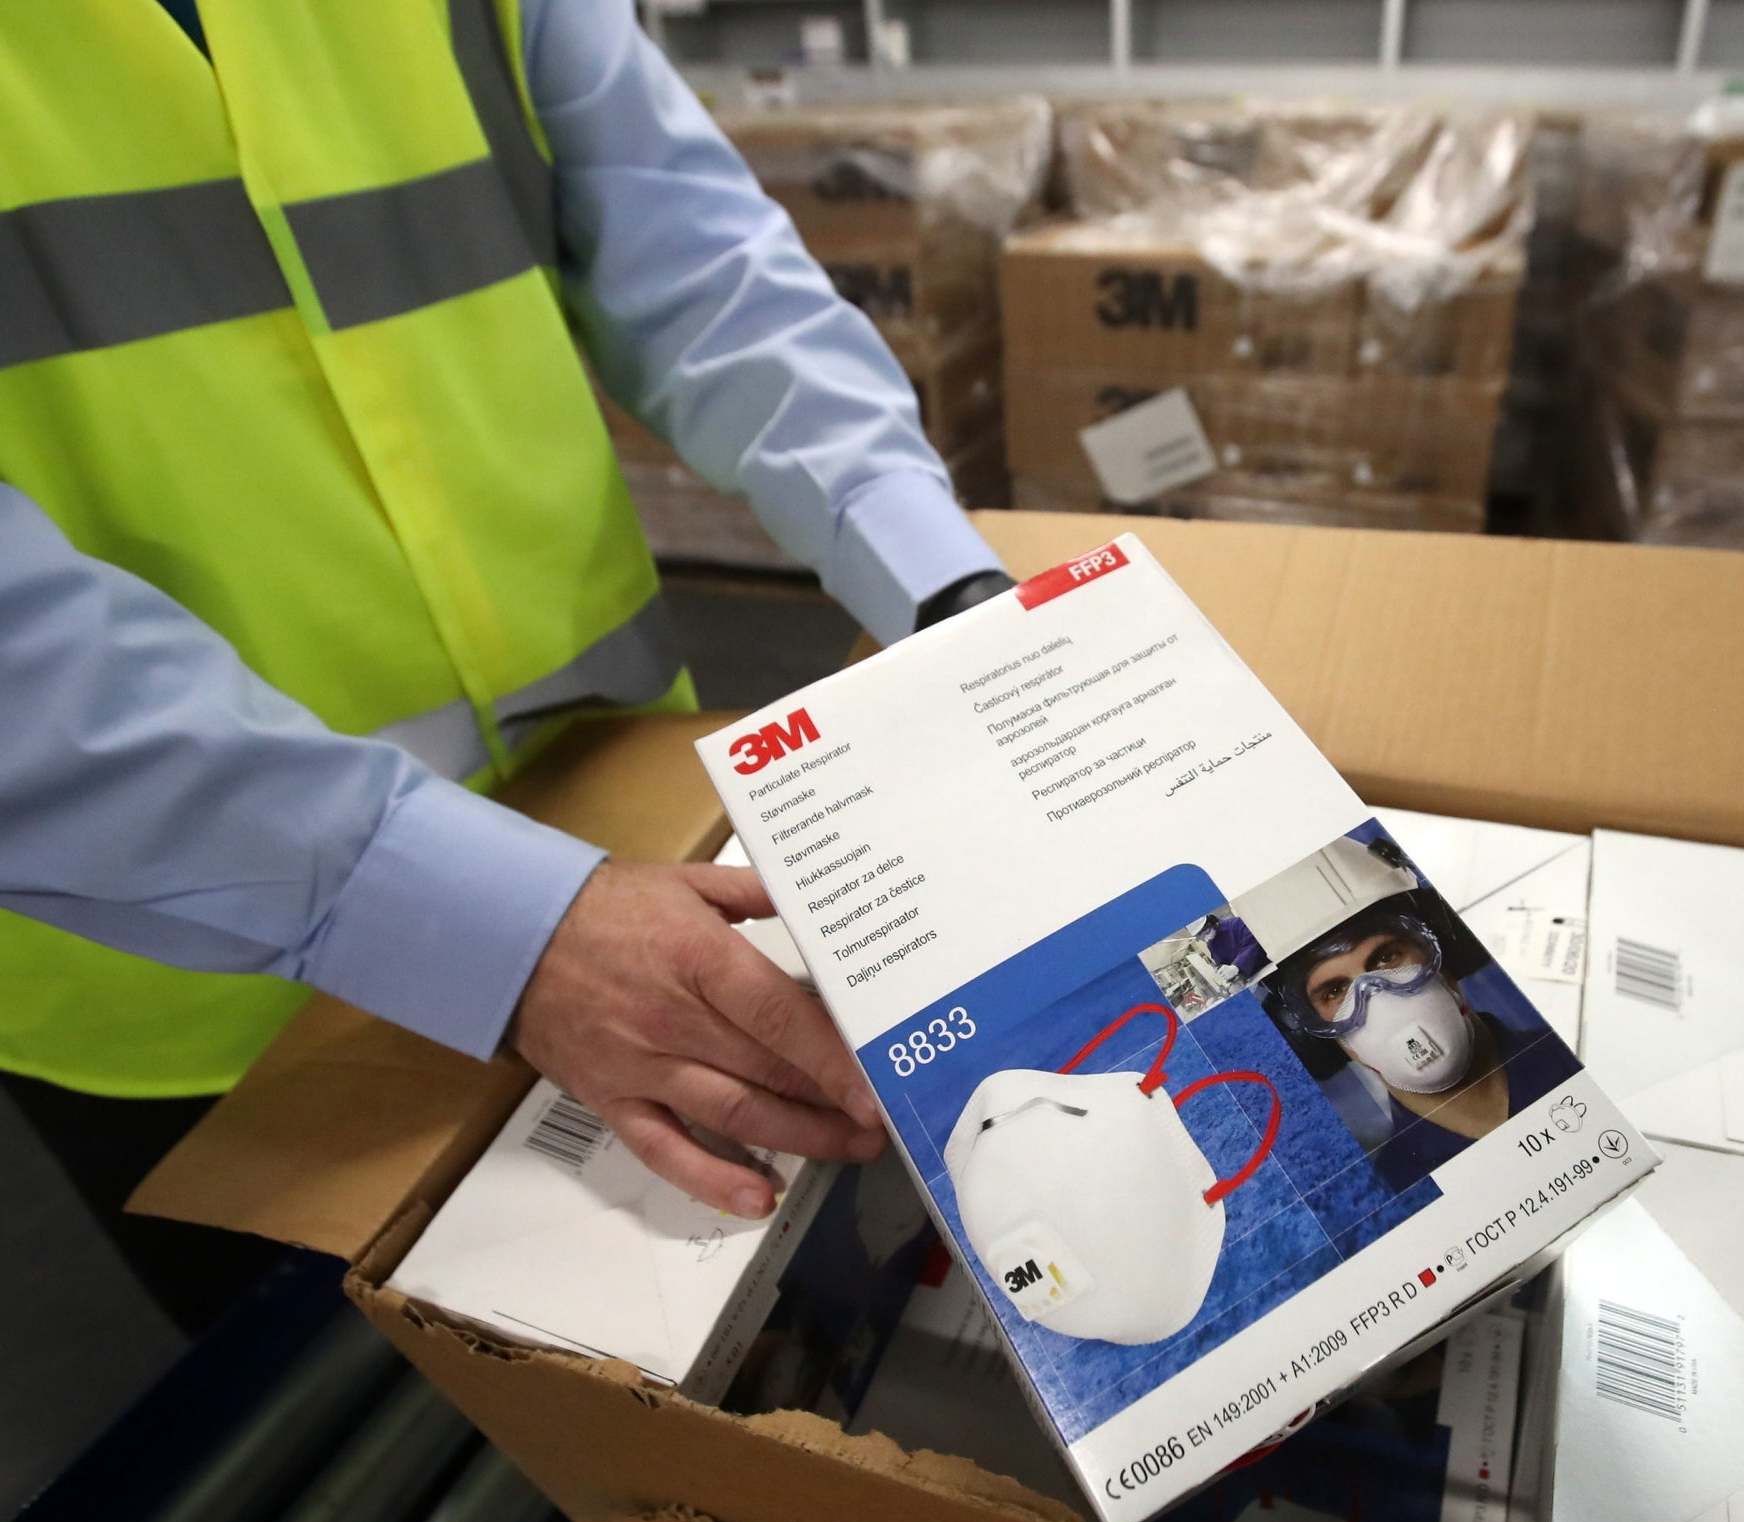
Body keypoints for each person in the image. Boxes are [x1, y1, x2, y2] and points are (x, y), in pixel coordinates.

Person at [0, 0, 1012, 1330]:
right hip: (201, 971)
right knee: (359, 1440)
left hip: (620, 818)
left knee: (742, 1358)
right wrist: (488, 923)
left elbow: (698, 258)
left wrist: (946, 586)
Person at [1232, 836, 1577, 1193]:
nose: (1376, 996)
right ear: (1311, 1036)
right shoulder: (1401, 1190)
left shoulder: (1576, 1049)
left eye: (1386, 957)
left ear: (1444, 953)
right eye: (1335, 991)